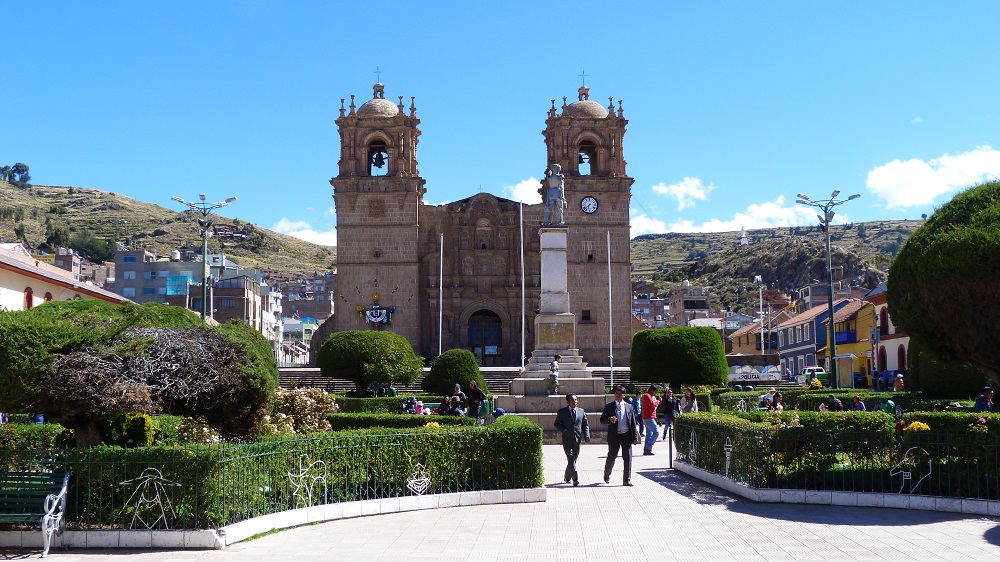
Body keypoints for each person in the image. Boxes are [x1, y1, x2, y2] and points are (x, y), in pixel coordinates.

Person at [600, 385, 640, 486]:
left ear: (624, 395)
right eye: (616, 393)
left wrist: (635, 437)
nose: (618, 395)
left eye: (620, 394)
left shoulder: (629, 407)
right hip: (614, 436)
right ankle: (607, 474)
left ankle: (626, 480)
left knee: (628, 458)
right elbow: (602, 420)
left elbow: (632, 423)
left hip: (626, 435)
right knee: (612, 457)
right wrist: (609, 420)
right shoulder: (609, 406)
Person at [553, 393, 590, 486]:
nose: (575, 402)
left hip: (577, 439)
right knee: (570, 458)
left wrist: (587, 436)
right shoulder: (562, 412)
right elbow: (556, 423)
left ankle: (567, 477)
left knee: (573, 459)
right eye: (572, 400)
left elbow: (585, 425)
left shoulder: (581, 411)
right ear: (567, 402)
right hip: (567, 439)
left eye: (576, 400)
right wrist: (564, 430)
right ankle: (575, 479)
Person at [641, 385, 661, 455]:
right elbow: (652, 404)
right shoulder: (647, 396)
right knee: (656, 432)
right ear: (652, 390)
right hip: (648, 417)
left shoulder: (648, 396)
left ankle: (646, 450)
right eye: (655, 392)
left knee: (649, 434)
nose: (655, 393)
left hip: (648, 417)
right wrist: (658, 401)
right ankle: (648, 447)